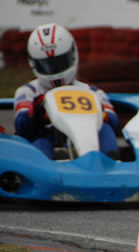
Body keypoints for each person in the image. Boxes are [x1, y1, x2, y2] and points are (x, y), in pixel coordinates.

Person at [14, 23, 120, 159]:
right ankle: (46, 172)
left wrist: (100, 113)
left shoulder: (90, 91)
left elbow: (114, 122)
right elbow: (22, 128)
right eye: (47, 65)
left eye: (60, 62)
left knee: (106, 129)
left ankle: (110, 163)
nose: (55, 69)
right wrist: (38, 110)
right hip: (49, 138)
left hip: (88, 140)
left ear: (73, 54)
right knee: (39, 142)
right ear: (34, 64)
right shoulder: (28, 91)